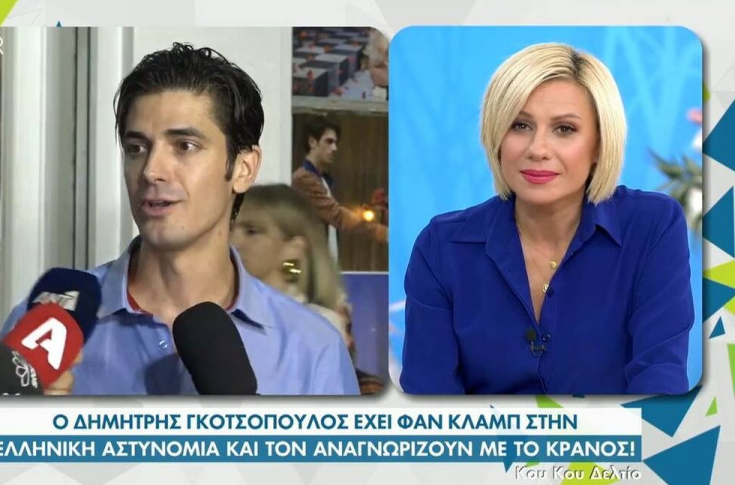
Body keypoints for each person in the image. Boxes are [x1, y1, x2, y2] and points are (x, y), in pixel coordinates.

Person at [0, 43, 359, 396]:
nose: (151, 170)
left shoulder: (312, 348)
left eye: (185, 146)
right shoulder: (44, 329)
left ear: (243, 168)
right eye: (136, 148)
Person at [400, 43, 693, 395]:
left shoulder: (652, 225)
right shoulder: (441, 246)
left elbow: (660, 379)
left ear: (599, 143)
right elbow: (430, 400)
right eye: (520, 125)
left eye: (564, 129)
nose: (537, 149)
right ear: (496, 137)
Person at [230, 184, 384, 394]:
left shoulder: (321, 329)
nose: (234, 242)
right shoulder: (211, 318)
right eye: (230, 228)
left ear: (293, 248)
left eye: (251, 231)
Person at [291, 115, 388, 262]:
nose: (334, 148)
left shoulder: (321, 179)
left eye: (335, 143)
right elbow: (337, 215)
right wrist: (383, 233)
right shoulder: (303, 179)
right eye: (329, 142)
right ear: (312, 142)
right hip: (310, 266)